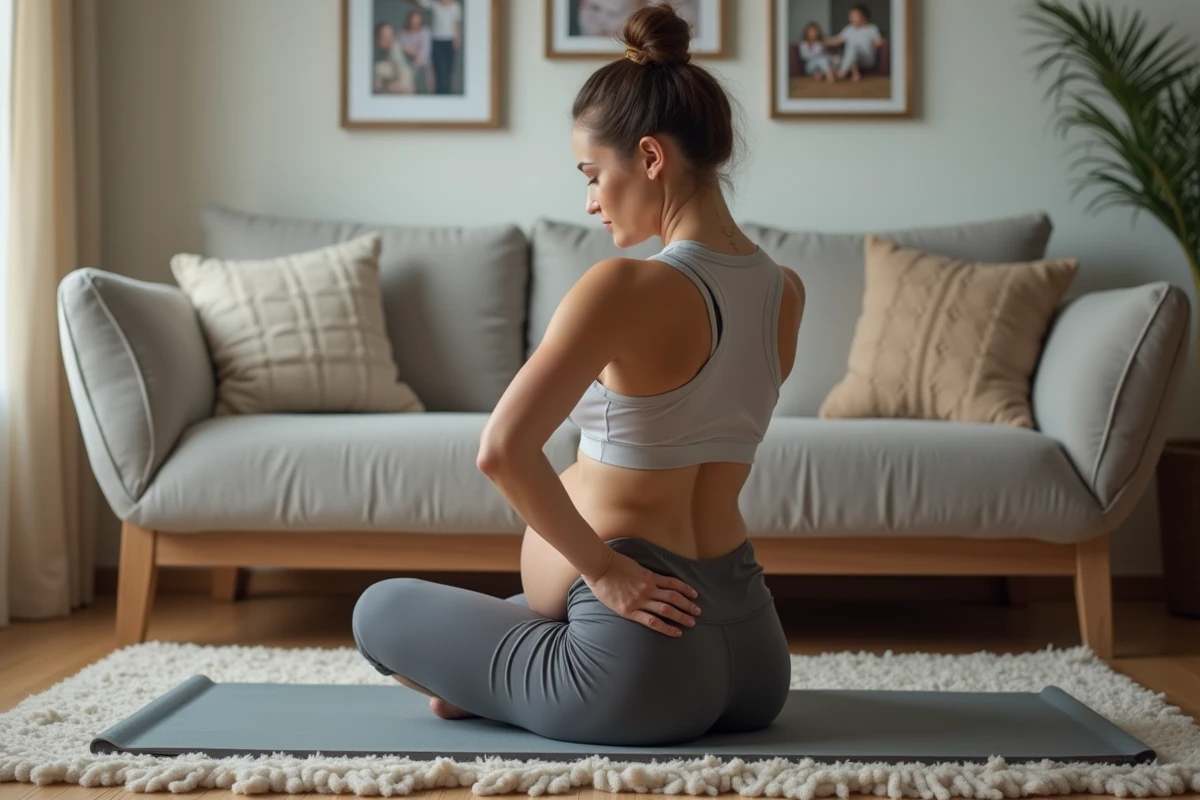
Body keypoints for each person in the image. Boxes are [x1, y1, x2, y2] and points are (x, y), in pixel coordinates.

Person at [352, 3, 806, 747]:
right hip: (753, 659)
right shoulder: (784, 290)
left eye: (594, 174)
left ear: (651, 158)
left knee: (380, 610)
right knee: (500, 619)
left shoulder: (624, 287)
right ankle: (503, 673)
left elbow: (502, 450)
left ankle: (501, 680)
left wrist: (602, 571)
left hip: (636, 667)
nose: (590, 200)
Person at [825, 4, 884, 81]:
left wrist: (877, 44)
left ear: (863, 16)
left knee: (852, 46)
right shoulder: (849, 29)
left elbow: (880, 41)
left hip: (867, 59)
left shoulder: (872, 28)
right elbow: (837, 40)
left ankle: (841, 73)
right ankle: (855, 74)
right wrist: (824, 40)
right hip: (852, 59)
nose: (851, 18)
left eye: (854, 16)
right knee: (849, 50)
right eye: (851, 16)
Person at [416, 0, 462, 94]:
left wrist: (457, 38)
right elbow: (421, 2)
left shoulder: (455, 7)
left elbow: (457, 23)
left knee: (448, 68)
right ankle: (439, 92)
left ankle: (447, 92)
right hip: (436, 40)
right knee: (438, 67)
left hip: (449, 40)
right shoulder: (434, 4)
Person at [398, 10, 434, 94]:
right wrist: (410, 50)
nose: (414, 22)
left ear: (421, 20)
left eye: (417, 19)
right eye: (413, 19)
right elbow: (400, 48)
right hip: (404, 62)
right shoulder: (402, 32)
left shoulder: (425, 32)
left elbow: (424, 52)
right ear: (409, 20)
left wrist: (414, 54)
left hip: (422, 62)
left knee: (426, 71)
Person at [373, 21, 414, 95]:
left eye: (390, 33)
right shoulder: (376, 48)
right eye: (385, 33)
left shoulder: (396, 46)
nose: (389, 36)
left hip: (398, 74)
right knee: (378, 68)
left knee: (406, 72)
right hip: (385, 77)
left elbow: (400, 65)